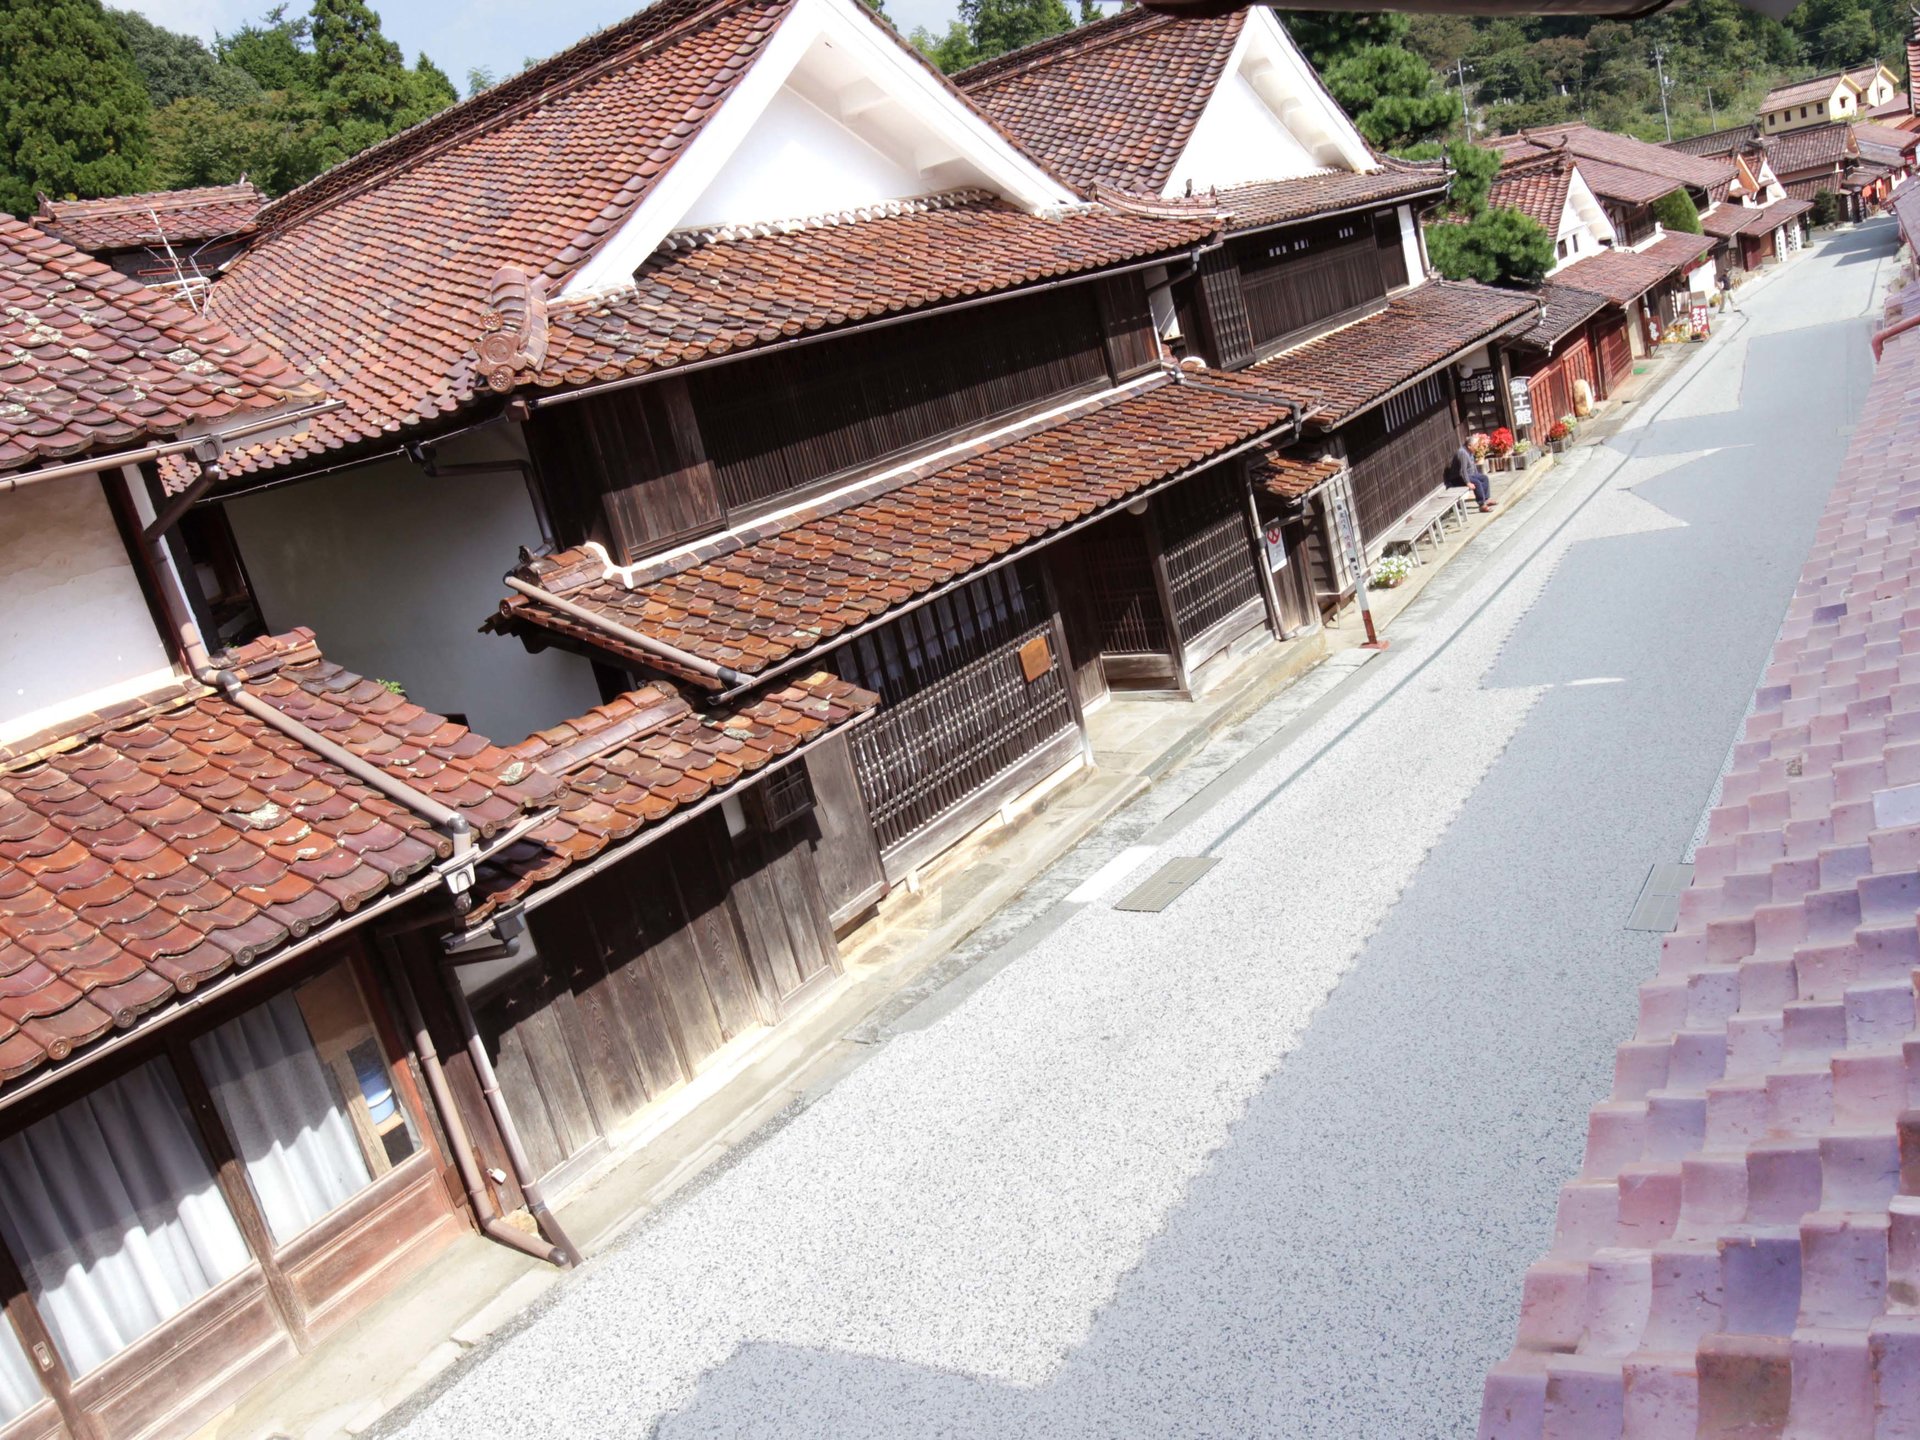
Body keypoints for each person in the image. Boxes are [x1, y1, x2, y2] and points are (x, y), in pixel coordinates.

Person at [1447, 444, 1495, 513]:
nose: (1477, 447)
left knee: (1484, 478)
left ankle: (1486, 499)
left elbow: (1473, 467)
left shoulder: (1470, 452)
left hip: (1469, 475)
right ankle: (1482, 505)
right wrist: (1468, 482)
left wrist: (1478, 475)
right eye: (1475, 445)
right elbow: (1463, 471)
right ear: (1469, 446)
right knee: (1476, 483)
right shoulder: (1462, 453)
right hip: (1458, 478)